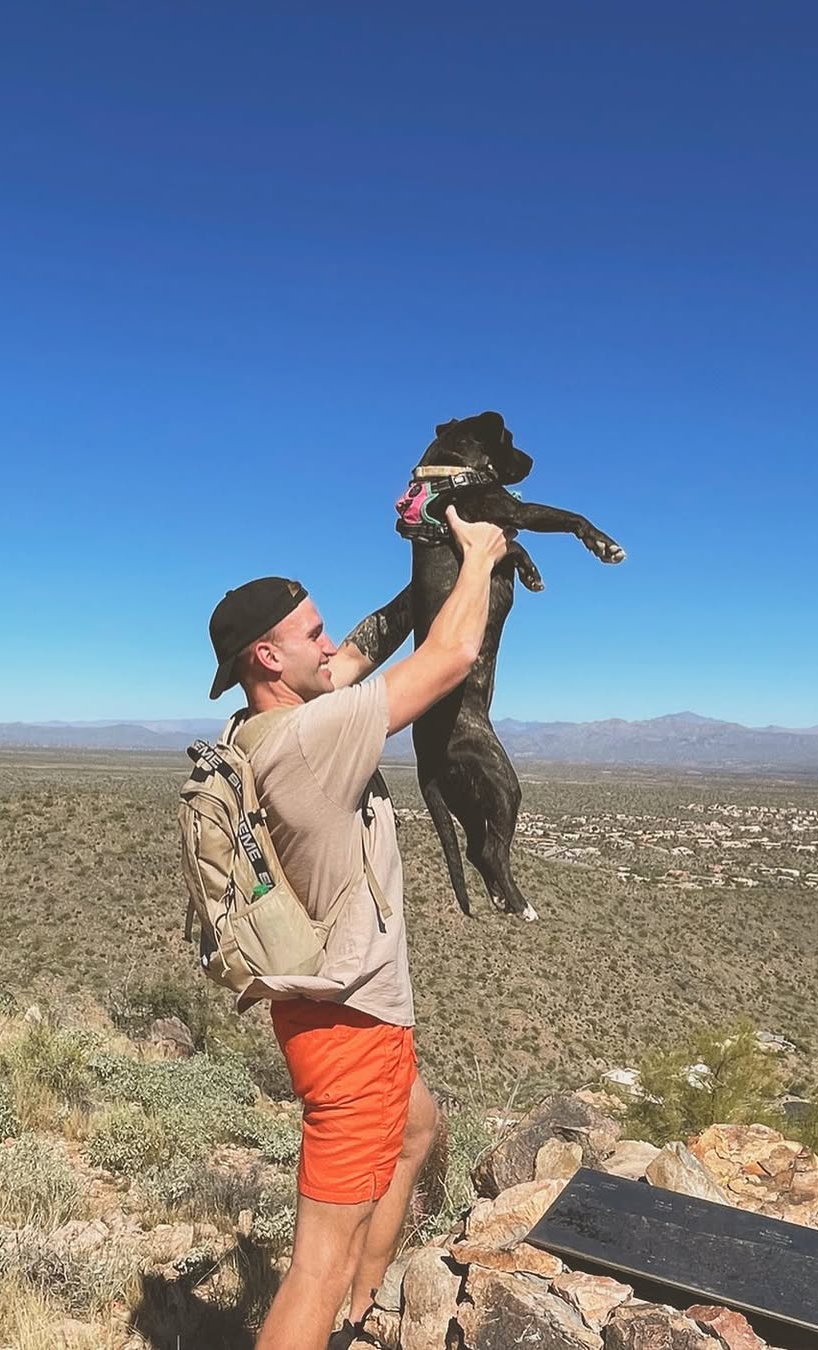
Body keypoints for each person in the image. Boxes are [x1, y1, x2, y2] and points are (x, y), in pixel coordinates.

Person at [204, 507, 510, 1350]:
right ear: (269, 657)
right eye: (314, 632)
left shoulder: (260, 728)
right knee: (318, 1260)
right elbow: (448, 658)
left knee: (416, 1130)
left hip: (338, 1012)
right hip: (352, 1025)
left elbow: (373, 645)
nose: (332, 642)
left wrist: (434, 558)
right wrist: (481, 558)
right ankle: (341, 1299)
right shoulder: (313, 739)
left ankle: (360, 1312)